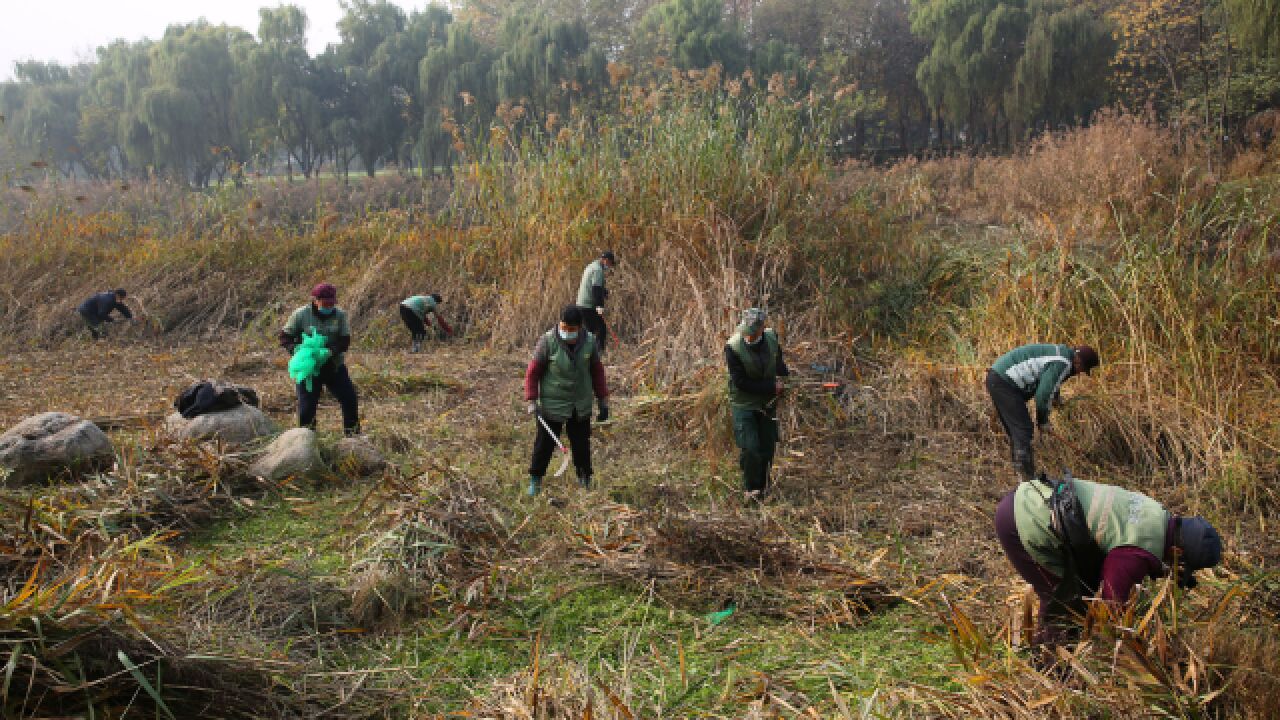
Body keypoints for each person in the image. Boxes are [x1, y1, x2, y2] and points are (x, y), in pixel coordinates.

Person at [995, 473, 1222, 647]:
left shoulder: (1156, 512)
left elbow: (1120, 539)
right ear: (1176, 552)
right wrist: (1118, 645)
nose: (1177, 570)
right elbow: (1110, 607)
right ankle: (1048, 671)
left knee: (1078, 594)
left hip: (1035, 494)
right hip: (1025, 520)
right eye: (1180, 565)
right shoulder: (1136, 553)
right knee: (1065, 604)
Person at [523, 305, 609, 496]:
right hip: (552, 403)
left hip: (580, 404)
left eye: (571, 329)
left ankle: (584, 479)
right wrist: (531, 400)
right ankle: (535, 480)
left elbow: (597, 372)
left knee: (581, 445)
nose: (566, 332)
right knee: (544, 445)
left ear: (580, 327)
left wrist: (603, 401)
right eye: (564, 327)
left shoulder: (589, 342)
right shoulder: (547, 341)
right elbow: (532, 372)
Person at [987, 343, 1099, 481]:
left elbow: (1051, 382)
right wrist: (1043, 421)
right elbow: (1043, 394)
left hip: (999, 378)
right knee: (1023, 429)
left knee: (1018, 430)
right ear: (1078, 361)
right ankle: (1027, 479)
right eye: (1082, 369)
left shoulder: (1062, 355)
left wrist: (1056, 401)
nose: (1080, 373)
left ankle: (1020, 473)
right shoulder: (1063, 362)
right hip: (1004, 382)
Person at [278, 283, 361, 435]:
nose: (329, 306)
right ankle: (306, 439)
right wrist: (296, 349)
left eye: (332, 303)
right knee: (306, 408)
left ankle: (353, 435)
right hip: (309, 370)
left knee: (349, 399)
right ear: (316, 300)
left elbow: (345, 340)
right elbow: (285, 337)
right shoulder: (301, 315)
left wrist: (330, 351)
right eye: (325, 303)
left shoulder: (340, 315)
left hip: (334, 366)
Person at [724, 307, 790, 500]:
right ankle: (751, 489)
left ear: (762, 328)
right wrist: (771, 386)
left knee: (768, 446)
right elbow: (740, 382)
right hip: (743, 403)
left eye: (754, 332)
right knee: (751, 447)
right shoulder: (733, 347)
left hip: (767, 402)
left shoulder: (771, 338)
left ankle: (764, 486)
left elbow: (778, 364)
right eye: (748, 331)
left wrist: (786, 380)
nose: (750, 336)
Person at [575, 250, 616, 353]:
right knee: (599, 329)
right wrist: (599, 306)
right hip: (588, 305)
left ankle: (588, 353)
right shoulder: (598, 270)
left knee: (589, 330)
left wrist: (604, 292)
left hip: (581, 304)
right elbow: (595, 289)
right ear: (605, 260)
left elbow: (592, 286)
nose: (610, 266)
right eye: (610, 263)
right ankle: (598, 353)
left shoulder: (591, 266)